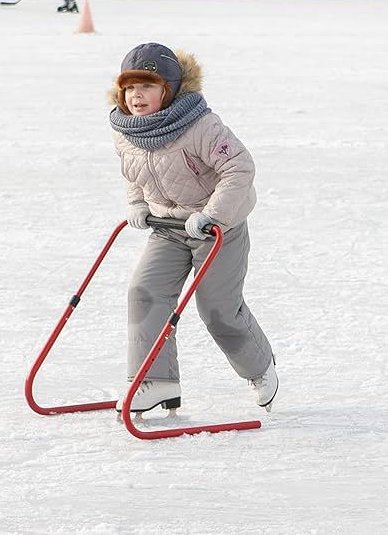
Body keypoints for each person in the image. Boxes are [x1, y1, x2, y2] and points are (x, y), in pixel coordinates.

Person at [108, 42, 277, 414]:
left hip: (218, 230)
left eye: (148, 86)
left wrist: (213, 215)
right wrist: (137, 203)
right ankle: (156, 381)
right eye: (131, 87)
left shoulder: (200, 125)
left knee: (217, 309)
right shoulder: (125, 131)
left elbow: (240, 169)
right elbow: (132, 171)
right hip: (167, 228)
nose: (137, 96)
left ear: (168, 89)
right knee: (144, 292)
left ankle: (260, 368)